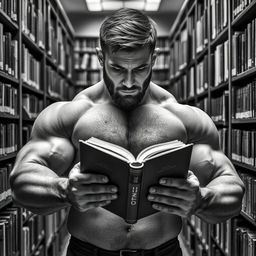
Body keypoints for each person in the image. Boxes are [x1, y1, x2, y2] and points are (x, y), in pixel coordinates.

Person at [10, 8, 244, 256]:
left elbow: (232, 190)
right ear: (101, 58)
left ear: (153, 59)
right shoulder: (71, 116)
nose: (130, 82)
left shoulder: (184, 119)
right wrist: (63, 189)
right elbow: (21, 180)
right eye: (118, 68)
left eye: (141, 68)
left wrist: (201, 199)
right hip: (88, 251)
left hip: (162, 251)